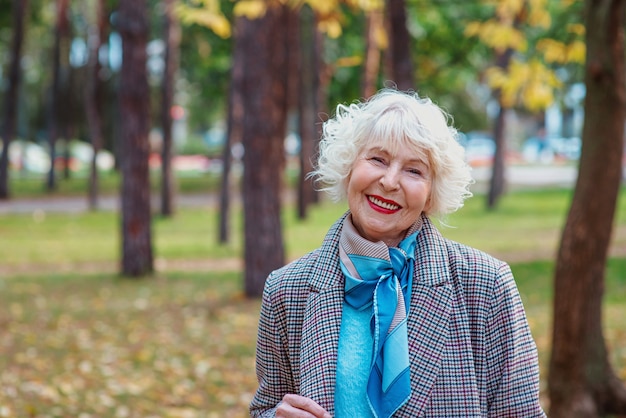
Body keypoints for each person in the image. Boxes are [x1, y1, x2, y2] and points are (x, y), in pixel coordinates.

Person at [249, 88, 546, 418]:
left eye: (414, 171)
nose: (390, 181)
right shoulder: (286, 290)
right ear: (348, 166)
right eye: (377, 159)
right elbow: (266, 406)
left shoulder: (486, 283)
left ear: (432, 192)